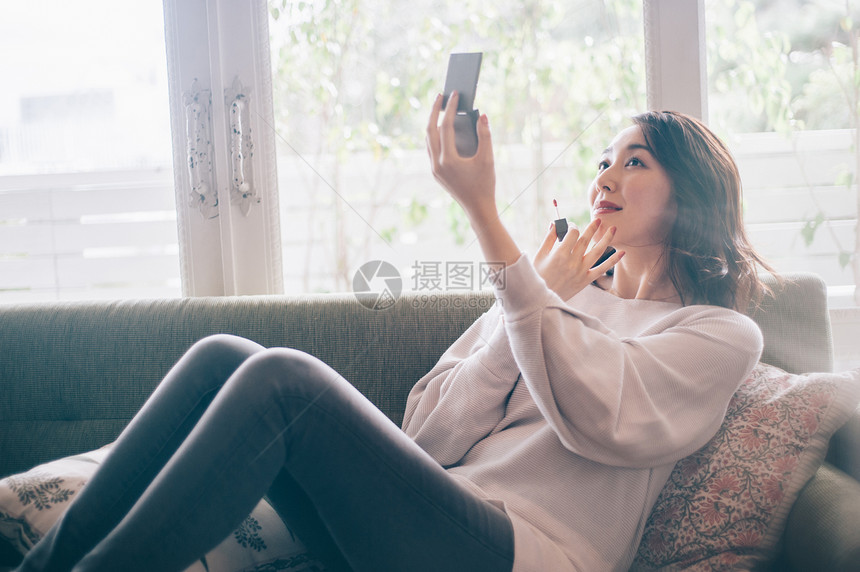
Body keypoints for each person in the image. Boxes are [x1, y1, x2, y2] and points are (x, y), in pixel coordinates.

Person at [16, 96, 773, 572]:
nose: (604, 175)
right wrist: (533, 302)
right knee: (225, 356)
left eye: (634, 161)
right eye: (603, 159)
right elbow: (431, 435)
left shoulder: (718, 334)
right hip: (431, 523)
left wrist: (500, 241)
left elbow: (601, 420)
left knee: (284, 381)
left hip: (523, 556)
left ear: (692, 194)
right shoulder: (552, 296)